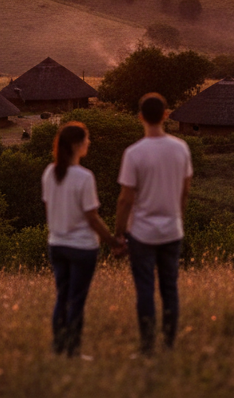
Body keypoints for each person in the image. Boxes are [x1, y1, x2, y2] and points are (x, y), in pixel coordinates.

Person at [115, 93, 193, 355]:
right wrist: (178, 219)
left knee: (145, 290)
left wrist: (119, 233)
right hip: (172, 230)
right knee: (170, 288)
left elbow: (125, 199)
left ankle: (147, 347)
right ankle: (169, 344)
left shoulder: (133, 153)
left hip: (142, 233)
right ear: (166, 115)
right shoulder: (181, 148)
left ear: (140, 118)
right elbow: (185, 191)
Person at [42, 121, 117, 357]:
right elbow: (92, 218)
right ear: (76, 145)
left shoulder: (49, 173)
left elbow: (50, 208)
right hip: (82, 246)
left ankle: (58, 346)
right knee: (76, 299)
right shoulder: (84, 177)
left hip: (57, 244)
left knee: (62, 296)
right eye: (86, 139)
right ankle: (73, 350)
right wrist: (111, 240)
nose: (89, 142)